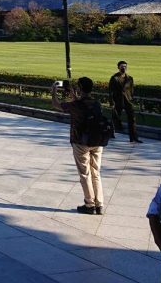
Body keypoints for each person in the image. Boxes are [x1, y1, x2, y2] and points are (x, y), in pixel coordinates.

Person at [51, 77, 105, 214]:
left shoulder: (75, 106)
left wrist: (53, 91)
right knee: (96, 172)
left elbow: (56, 105)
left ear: (80, 89)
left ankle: (89, 204)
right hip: (97, 141)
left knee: (85, 173)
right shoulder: (97, 103)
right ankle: (99, 204)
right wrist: (75, 96)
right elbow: (83, 106)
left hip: (81, 142)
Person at [109, 60, 141, 143]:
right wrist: (112, 102)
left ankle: (133, 137)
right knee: (115, 117)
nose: (124, 68)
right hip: (118, 101)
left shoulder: (130, 78)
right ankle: (110, 133)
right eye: (122, 66)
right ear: (118, 67)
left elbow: (131, 90)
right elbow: (110, 91)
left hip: (128, 101)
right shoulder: (114, 78)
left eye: (125, 66)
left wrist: (131, 99)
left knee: (132, 119)